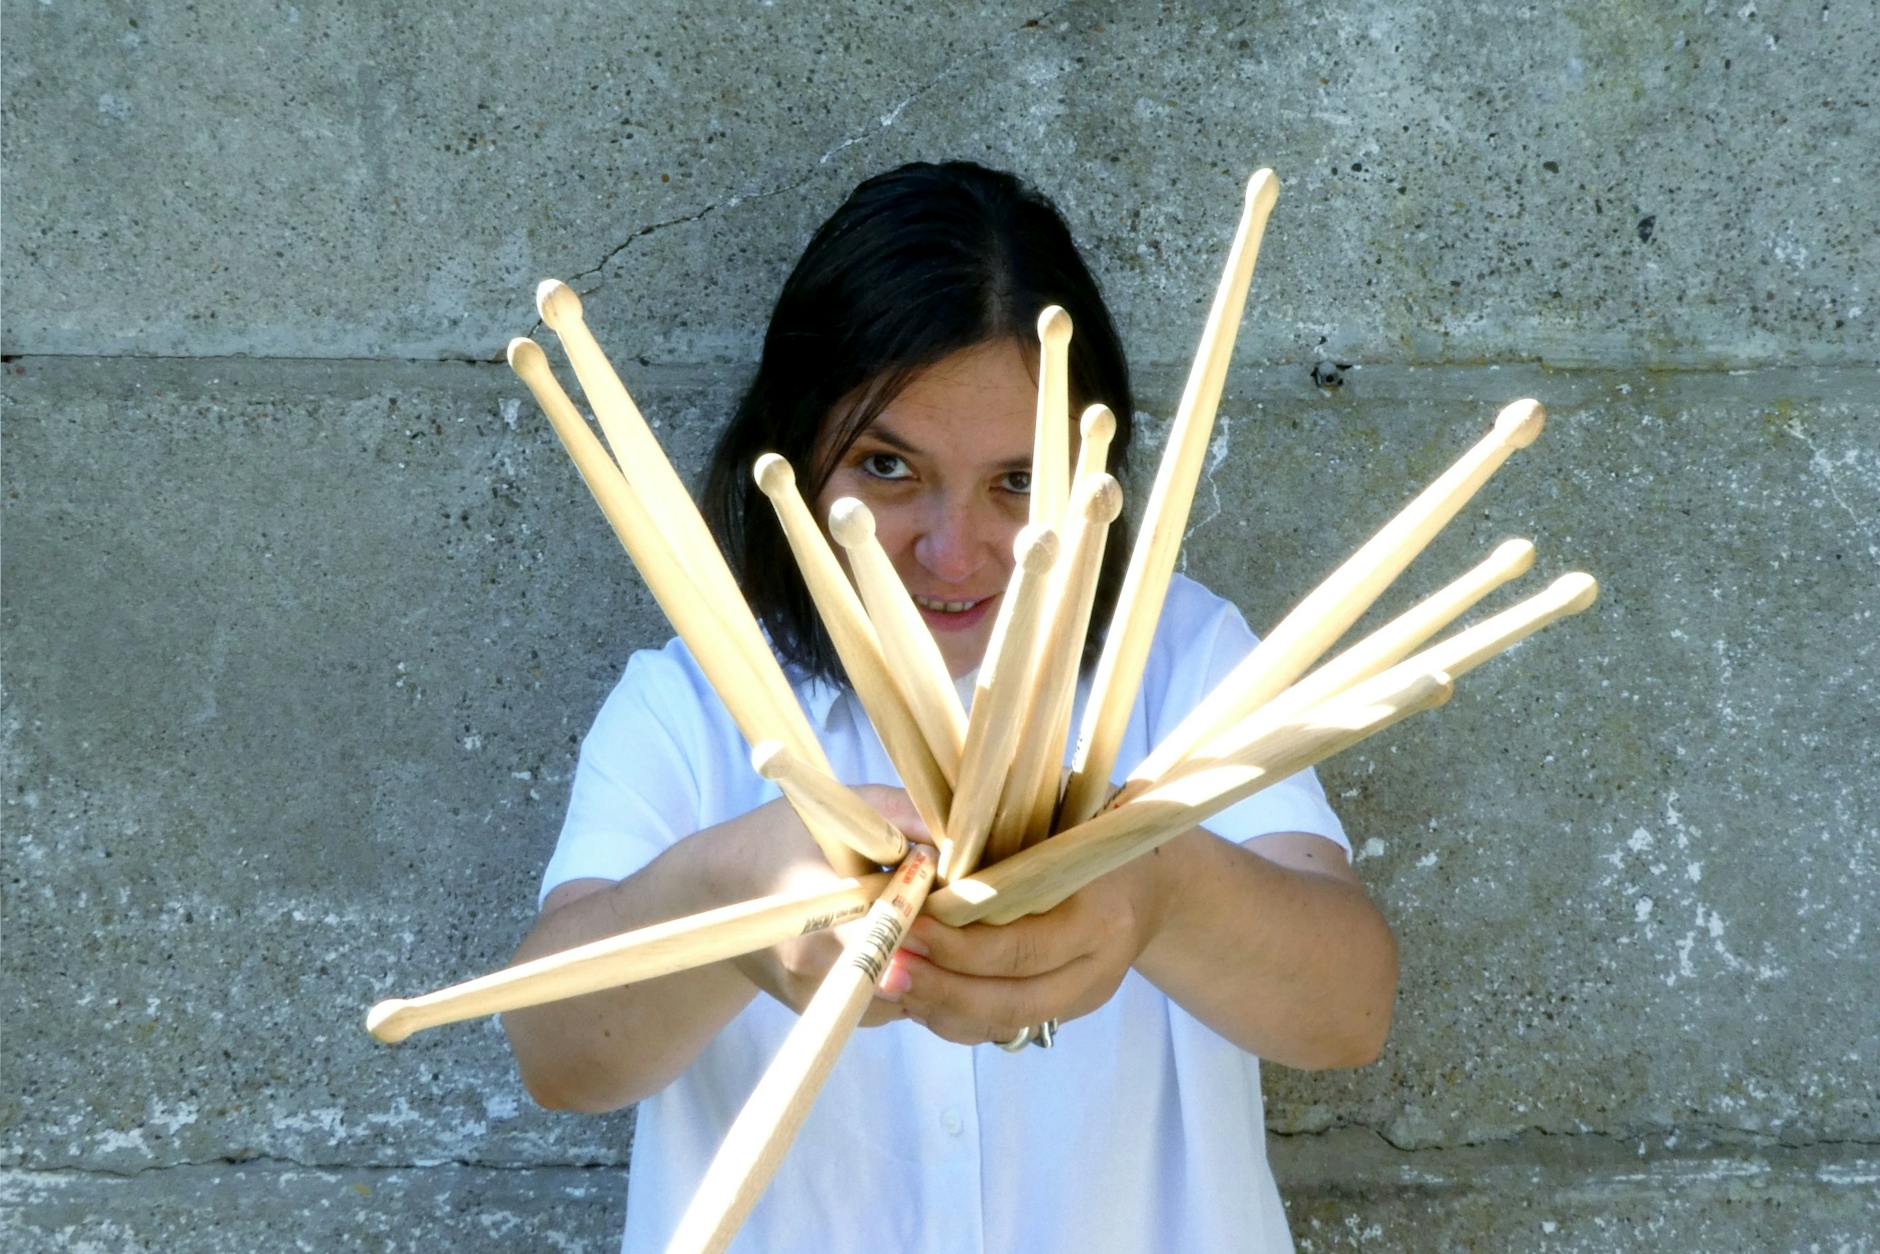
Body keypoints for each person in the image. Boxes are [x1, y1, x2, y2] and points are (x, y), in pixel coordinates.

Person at [501, 161, 1398, 1253]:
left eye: (1018, 482)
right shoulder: (686, 706)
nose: (953, 549)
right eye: (886, 466)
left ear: (1096, 474)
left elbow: (1347, 1012)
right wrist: (728, 900)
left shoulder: (1183, 661)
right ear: (787, 456)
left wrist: (1154, 888)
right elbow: (557, 1055)